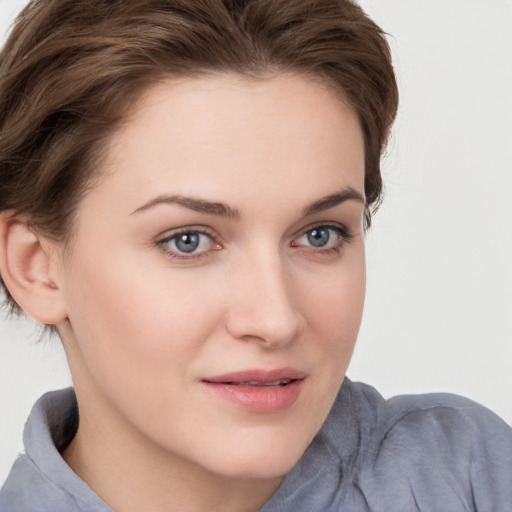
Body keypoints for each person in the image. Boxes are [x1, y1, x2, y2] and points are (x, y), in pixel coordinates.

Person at [0, 0, 510, 511]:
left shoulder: (466, 477)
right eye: (189, 241)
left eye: (318, 235)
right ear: (35, 266)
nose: (276, 319)